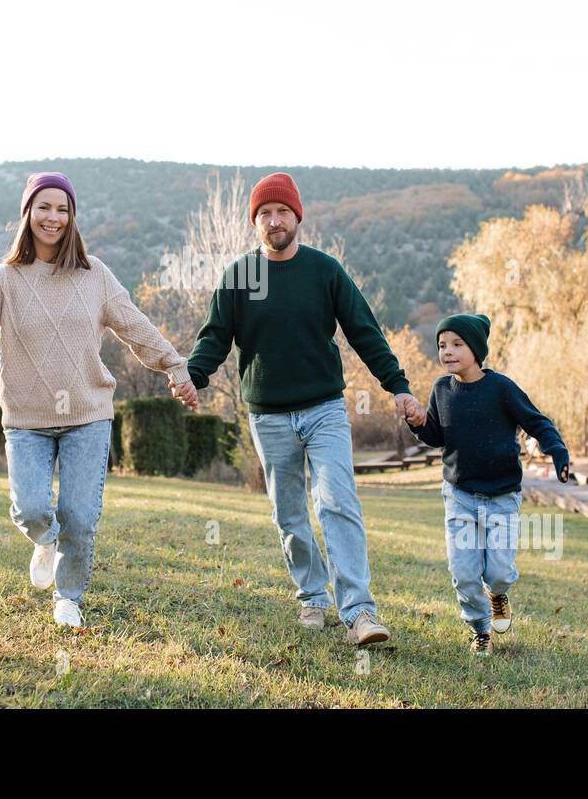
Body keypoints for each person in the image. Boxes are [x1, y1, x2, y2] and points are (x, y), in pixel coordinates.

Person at [0, 172, 195, 629]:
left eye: (62, 209)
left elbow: (134, 326)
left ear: (72, 217)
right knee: (32, 509)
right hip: (27, 420)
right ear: (27, 213)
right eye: (44, 207)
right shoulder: (4, 280)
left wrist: (175, 366)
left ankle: (68, 597)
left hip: (87, 414)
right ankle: (45, 540)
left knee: (80, 516)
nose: (53, 217)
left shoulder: (94, 274)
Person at [181, 172, 424, 646]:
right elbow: (215, 337)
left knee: (337, 502)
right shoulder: (240, 276)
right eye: (265, 214)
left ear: (297, 217)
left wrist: (397, 385)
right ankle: (312, 596)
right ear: (256, 222)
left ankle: (359, 612)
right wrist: (194, 376)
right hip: (268, 417)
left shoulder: (324, 271)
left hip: (325, 409)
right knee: (289, 513)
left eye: (282, 213)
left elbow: (364, 331)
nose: (274, 221)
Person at [408, 313, 570, 658]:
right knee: (464, 573)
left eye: (456, 344)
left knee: (498, 572)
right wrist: (420, 423)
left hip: (501, 497)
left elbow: (537, 422)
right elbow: (437, 436)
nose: (447, 351)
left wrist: (556, 449)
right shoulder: (441, 390)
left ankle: (498, 595)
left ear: (476, 349)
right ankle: (480, 629)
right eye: (442, 345)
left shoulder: (501, 388)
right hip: (460, 495)